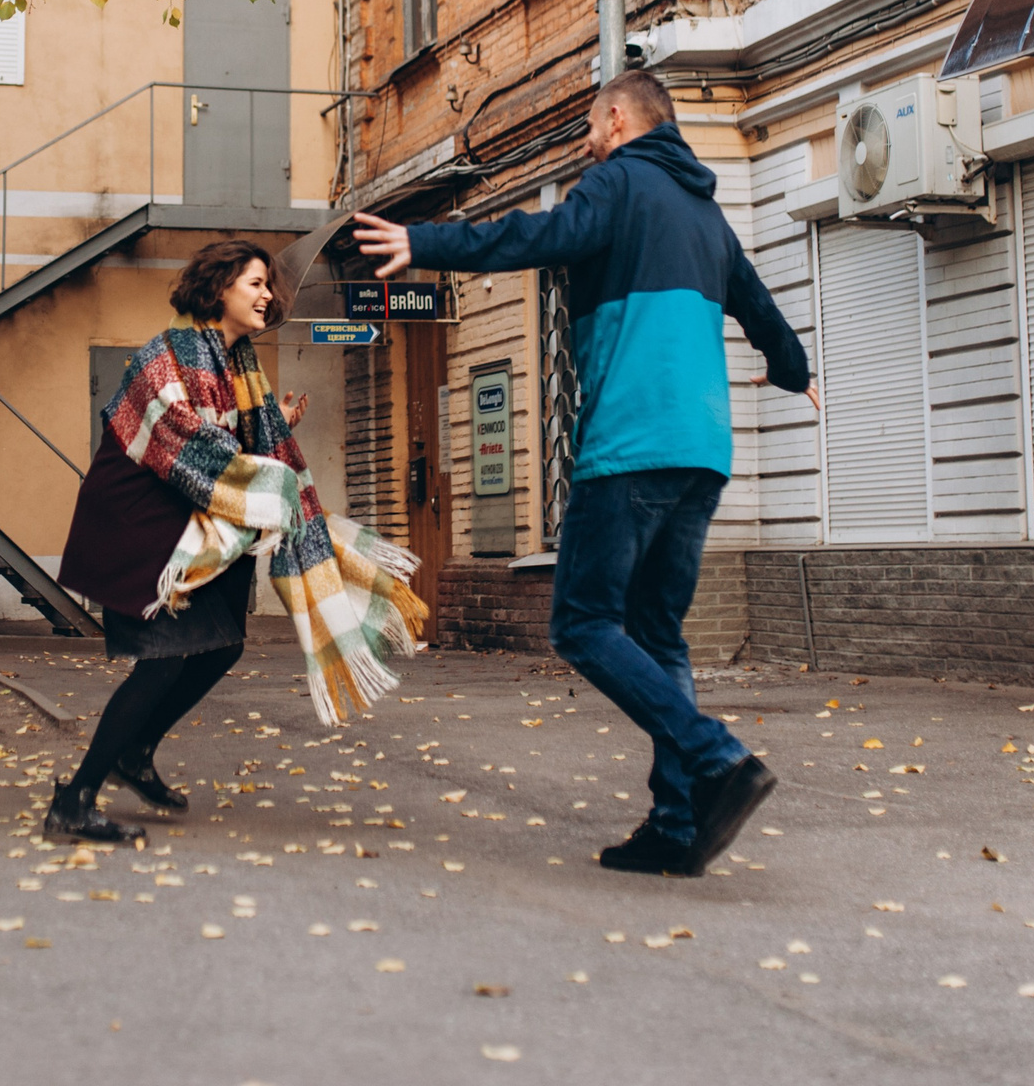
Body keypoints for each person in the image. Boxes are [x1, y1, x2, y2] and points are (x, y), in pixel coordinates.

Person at [353, 68, 817, 878]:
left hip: (632, 442)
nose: (588, 142)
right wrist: (793, 370)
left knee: (582, 622)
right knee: (657, 633)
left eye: (592, 127)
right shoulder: (707, 214)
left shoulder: (618, 183)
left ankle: (716, 756)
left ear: (617, 119)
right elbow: (760, 307)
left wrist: (425, 243)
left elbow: (536, 238)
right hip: (704, 450)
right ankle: (678, 824)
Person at [45, 240, 314, 844]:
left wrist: (272, 432)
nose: (267, 295)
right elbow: (196, 449)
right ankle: (75, 800)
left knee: (222, 647)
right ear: (220, 288)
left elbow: (226, 443)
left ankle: (134, 751)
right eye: (255, 283)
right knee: (163, 660)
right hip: (137, 525)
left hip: (185, 525)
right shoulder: (166, 356)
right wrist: (264, 471)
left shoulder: (235, 365)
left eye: (268, 285)